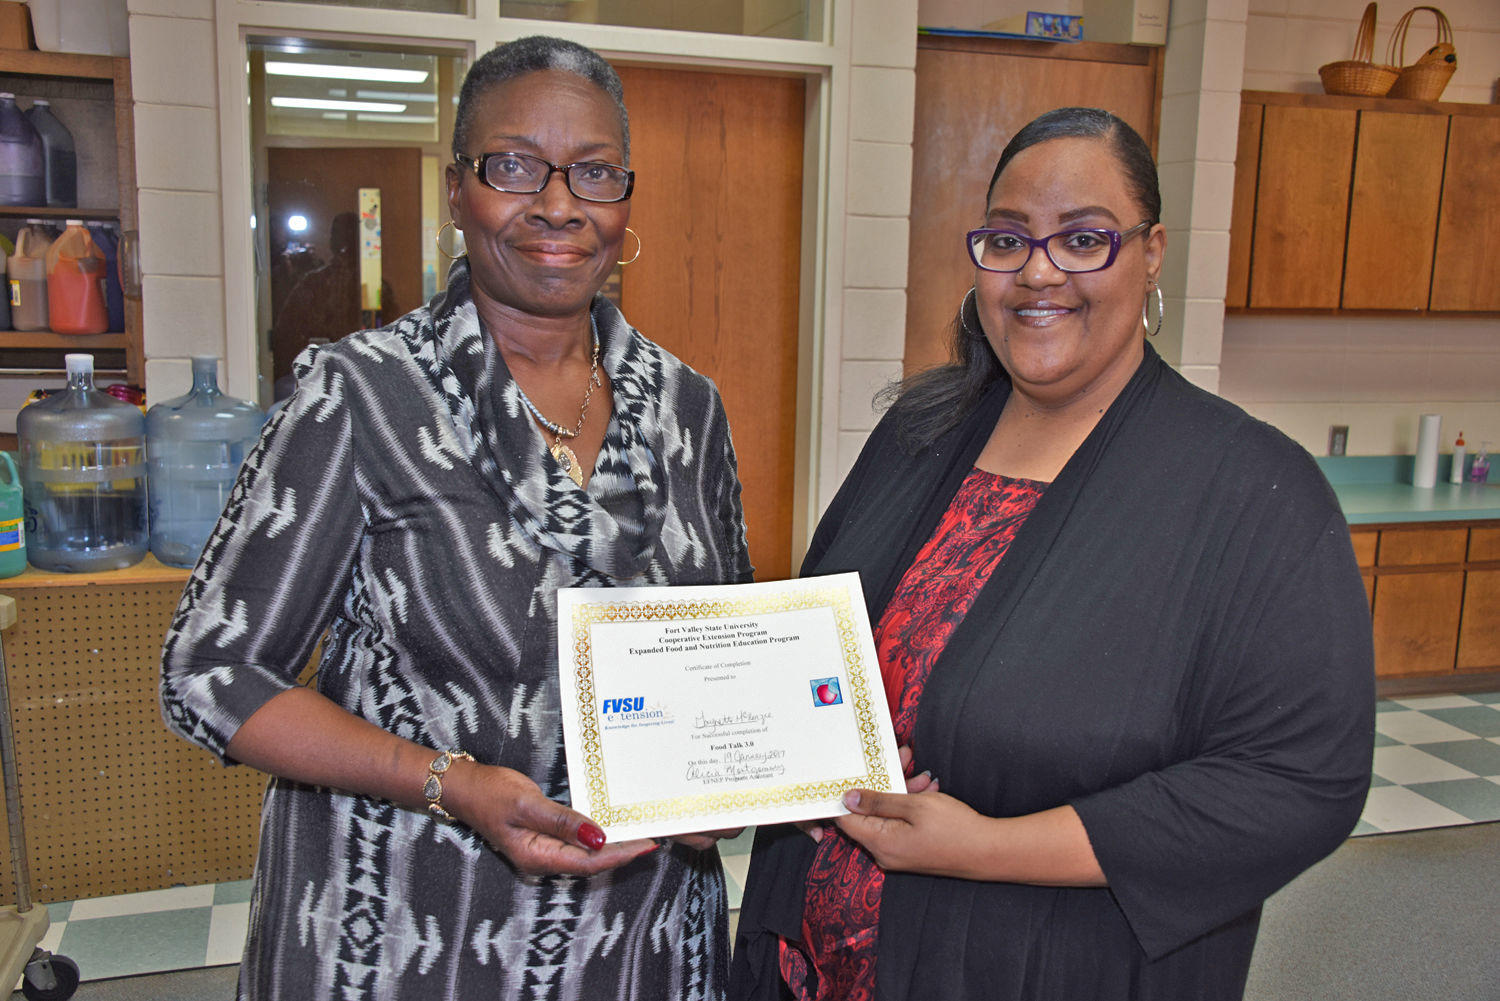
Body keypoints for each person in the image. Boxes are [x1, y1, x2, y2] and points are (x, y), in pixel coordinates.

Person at [730, 107, 1374, 1001]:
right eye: (1009, 238)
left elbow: (1298, 781)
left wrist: (987, 848)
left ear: (1151, 252)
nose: (1039, 271)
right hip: (810, 962)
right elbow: (806, 641)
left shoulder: (1249, 490)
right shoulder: (923, 429)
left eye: (1083, 239)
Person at [161, 36, 752, 1001]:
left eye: (594, 173)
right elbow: (208, 671)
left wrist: (738, 776)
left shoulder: (689, 408)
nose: (558, 205)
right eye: (515, 166)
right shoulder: (360, 395)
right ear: (456, 190)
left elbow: (726, 654)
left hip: (635, 948)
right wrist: (447, 779)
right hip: (402, 935)